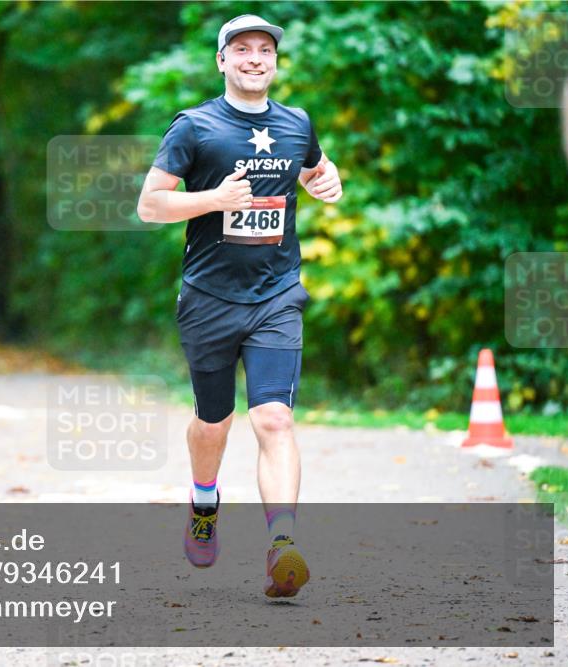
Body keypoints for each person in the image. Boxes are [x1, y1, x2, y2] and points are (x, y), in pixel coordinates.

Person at [137, 14, 343, 598]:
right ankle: (205, 501)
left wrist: (329, 182)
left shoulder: (297, 122)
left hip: (276, 294)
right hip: (208, 298)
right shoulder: (194, 127)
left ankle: (283, 546)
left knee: (273, 418)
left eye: (265, 50)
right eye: (242, 50)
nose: (255, 59)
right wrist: (214, 199)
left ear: (274, 62)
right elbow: (150, 206)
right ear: (222, 61)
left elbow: (316, 171)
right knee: (214, 421)